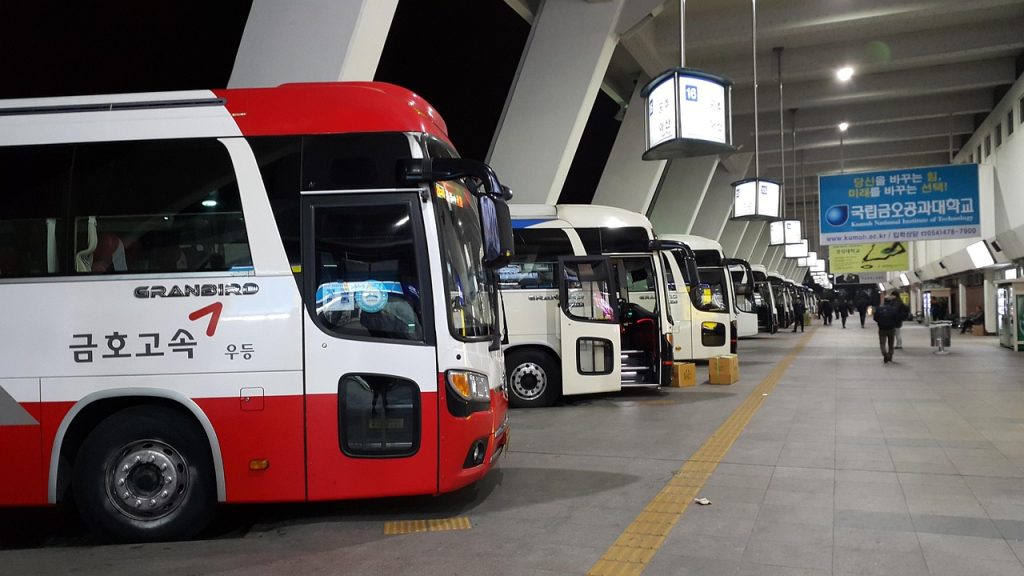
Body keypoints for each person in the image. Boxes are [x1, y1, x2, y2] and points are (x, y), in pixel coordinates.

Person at [874, 293, 900, 363]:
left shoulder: (879, 309)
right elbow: (896, 318)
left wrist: (880, 322)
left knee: (882, 343)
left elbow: (875, 318)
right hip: (891, 328)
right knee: (891, 343)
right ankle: (890, 356)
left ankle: (884, 353)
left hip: (882, 328)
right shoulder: (893, 309)